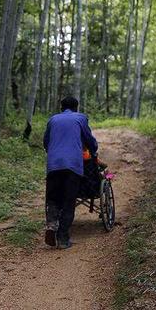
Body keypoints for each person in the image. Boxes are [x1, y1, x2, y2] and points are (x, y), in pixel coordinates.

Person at [42, 96, 98, 249]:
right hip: (73, 165)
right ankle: (63, 239)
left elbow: (46, 142)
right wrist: (93, 151)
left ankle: (52, 224)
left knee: (52, 198)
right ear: (76, 107)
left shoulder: (53, 119)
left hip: (53, 164)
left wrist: (52, 152)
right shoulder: (80, 118)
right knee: (68, 200)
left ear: (61, 107)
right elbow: (89, 139)